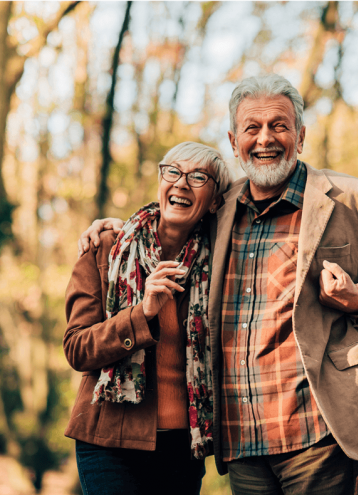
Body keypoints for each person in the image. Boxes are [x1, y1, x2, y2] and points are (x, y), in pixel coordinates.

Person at [78, 74, 358, 494]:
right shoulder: (221, 208)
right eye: (252, 128)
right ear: (233, 138)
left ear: (301, 134)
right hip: (241, 436)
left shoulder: (350, 199)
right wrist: (116, 228)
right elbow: (169, 218)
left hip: (318, 428)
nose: (265, 139)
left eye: (279, 125)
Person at [64, 142, 232, 495]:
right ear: (161, 180)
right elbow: (77, 348)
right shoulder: (107, 248)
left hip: (183, 449)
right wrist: (142, 313)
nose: (182, 183)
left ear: (215, 200)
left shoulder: (220, 265)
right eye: (173, 171)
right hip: (109, 442)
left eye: (199, 177)